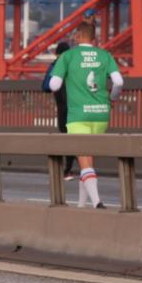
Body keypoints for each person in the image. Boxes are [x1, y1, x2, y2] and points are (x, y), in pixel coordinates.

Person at [47, 21, 124, 209]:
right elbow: (119, 81)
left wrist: (64, 78)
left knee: (84, 159)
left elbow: (54, 85)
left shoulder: (68, 56)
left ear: (76, 36)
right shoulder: (105, 55)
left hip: (78, 115)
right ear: (94, 38)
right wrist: (112, 98)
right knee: (87, 161)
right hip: (101, 114)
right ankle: (81, 206)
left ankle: (97, 201)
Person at [42, 41, 77, 180]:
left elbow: (45, 87)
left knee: (67, 137)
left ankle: (67, 170)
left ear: (57, 54)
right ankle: (77, 169)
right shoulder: (75, 65)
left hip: (63, 108)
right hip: (79, 108)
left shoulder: (54, 66)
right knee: (77, 139)